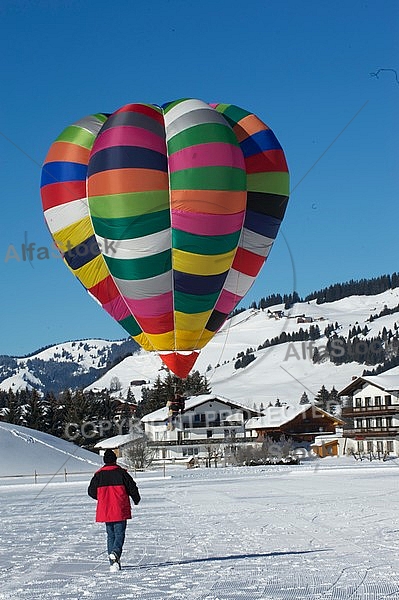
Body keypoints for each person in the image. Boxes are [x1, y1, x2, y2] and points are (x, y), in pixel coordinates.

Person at [88, 449, 141, 572]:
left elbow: (91, 491)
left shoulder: (98, 475)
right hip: (119, 508)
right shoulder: (121, 473)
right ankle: (116, 552)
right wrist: (136, 499)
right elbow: (132, 486)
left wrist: (102, 498)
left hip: (106, 509)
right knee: (119, 534)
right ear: (115, 460)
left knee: (110, 535)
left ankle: (113, 564)